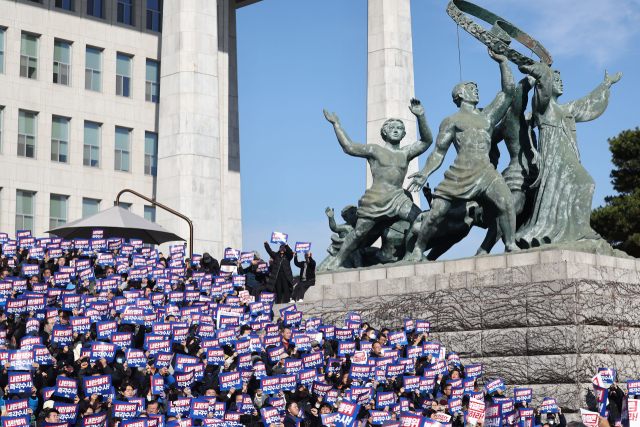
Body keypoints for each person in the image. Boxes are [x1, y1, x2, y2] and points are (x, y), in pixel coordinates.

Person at [405, 48, 518, 261]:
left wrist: (503, 61)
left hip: (486, 172)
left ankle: (510, 244)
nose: (476, 90)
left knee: (507, 202)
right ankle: (419, 248)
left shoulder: (487, 117)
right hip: (460, 173)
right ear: (460, 95)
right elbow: (439, 152)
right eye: (471, 88)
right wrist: (425, 172)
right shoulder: (451, 121)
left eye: (476, 88)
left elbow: (508, 92)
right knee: (436, 213)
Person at [515, 61, 622, 248]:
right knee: (585, 181)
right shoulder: (542, 106)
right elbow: (543, 89)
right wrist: (543, 73)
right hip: (554, 156)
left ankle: (572, 229)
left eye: (560, 79)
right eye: (556, 80)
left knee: (575, 187)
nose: (560, 83)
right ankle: (579, 229)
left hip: (567, 154)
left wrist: (606, 84)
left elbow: (586, 104)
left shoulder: (564, 109)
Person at [322, 97, 433, 270]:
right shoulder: (375, 150)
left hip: (398, 198)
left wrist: (421, 116)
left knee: (421, 219)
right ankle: (338, 260)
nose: (396, 131)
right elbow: (349, 147)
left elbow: (427, 141)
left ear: (404, 134)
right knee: (358, 234)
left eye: (400, 128)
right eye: (392, 128)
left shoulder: (406, 152)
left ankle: (414, 253)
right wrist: (336, 124)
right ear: (385, 132)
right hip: (376, 199)